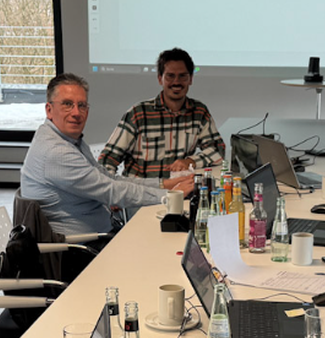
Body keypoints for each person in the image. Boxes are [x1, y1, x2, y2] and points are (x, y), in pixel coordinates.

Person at [22, 73, 195, 237]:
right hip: (81, 247)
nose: (76, 113)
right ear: (49, 110)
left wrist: (164, 184)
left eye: (82, 105)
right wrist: (170, 195)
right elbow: (111, 191)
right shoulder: (57, 152)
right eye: (67, 104)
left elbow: (110, 178)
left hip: (102, 231)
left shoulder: (68, 140)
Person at [97, 48, 225, 179]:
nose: (176, 82)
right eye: (170, 76)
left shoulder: (199, 112)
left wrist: (191, 161)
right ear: (160, 79)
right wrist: (114, 188)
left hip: (181, 188)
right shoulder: (138, 114)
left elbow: (218, 150)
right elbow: (106, 160)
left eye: (182, 76)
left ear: (190, 79)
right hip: (141, 190)